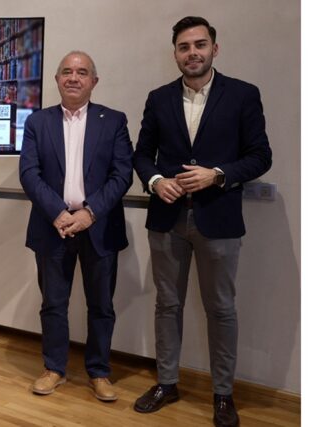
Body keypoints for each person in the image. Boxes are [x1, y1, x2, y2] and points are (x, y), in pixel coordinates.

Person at [132, 17, 272, 427]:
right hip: (167, 218)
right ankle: (167, 382)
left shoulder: (243, 95)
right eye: (183, 46)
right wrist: (156, 181)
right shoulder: (158, 98)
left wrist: (218, 174)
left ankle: (223, 394)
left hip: (220, 219)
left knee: (222, 309)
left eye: (200, 44)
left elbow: (260, 155)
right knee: (167, 305)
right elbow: (142, 154)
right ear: (174, 52)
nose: (192, 52)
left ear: (215, 48)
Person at [19, 51, 133, 401]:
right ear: (56, 79)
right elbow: (29, 173)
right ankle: (54, 369)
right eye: (66, 71)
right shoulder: (37, 122)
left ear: (93, 82)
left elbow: (122, 174)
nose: (73, 77)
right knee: (53, 303)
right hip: (51, 226)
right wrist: (58, 212)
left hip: (98, 227)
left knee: (101, 305)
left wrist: (89, 213)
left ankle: (99, 373)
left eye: (82, 72)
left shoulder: (113, 121)